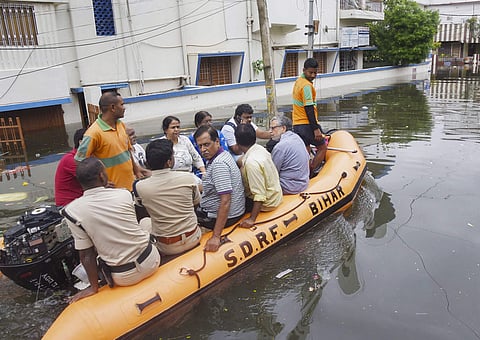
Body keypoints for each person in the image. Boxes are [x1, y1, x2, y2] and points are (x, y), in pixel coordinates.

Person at [62, 157, 160, 303]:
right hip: (151, 262)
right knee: (146, 222)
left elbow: (86, 255)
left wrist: (93, 288)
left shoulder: (71, 212)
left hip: (122, 277)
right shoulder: (124, 194)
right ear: (102, 176)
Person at [134, 139, 202, 255]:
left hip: (167, 246)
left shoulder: (140, 187)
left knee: (144, 221)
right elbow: (196, 203)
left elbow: (141, 209)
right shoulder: (188, 178)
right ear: (169, 162)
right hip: (194, 237)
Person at [75, 92, 145, 191]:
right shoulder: (93, 133)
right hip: (112, 191)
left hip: (130, 186)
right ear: (112, 107)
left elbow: (128, 152)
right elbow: (79, 162)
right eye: (121, 104)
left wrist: (137, 171)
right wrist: (99, 184)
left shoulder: (121, 125)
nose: (124, 108)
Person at [193, 126, 245, 252]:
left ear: (217, 142)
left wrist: (216, 236)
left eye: (206, 145)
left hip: (220, 216)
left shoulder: (218, 165)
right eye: (200, 146)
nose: (203, 150)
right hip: (232, 210)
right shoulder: (223, 155)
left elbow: (225, 201)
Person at [234, 124, 282, 229]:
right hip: (275, 193)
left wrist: (252, 219)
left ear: (237, 142)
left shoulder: (251, 164)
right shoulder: (260, 149)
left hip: (268, 202)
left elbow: (259, 195)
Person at [292, 58, 327, 177]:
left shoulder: (298, 81)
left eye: (315, 73)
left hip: (297, 124)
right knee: (322, 147)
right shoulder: (306, 86)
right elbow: (309, 108)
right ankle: (311, 172)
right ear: (304, 70)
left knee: (306, 151)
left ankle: (304, 174)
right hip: (306, 124)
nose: (313, 75)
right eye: (310, 72)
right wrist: (316, 128)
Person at [269, 116, 310, 194]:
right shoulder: (297, 138)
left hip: (289, 187)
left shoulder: (280, 147)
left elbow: (273, 172)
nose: (270, 131)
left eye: (273, 128)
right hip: (303, 183)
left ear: (283, 128)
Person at [54, 128, 86, 206]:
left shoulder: (87, 158)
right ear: (81, 143)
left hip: (80, 199)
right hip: (68, 203)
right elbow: (92, 179)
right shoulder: (70, 160)